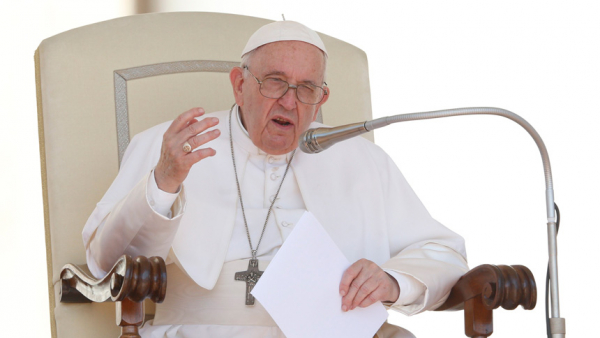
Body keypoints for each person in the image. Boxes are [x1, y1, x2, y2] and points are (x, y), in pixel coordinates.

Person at [82, 20, 468, 338]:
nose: (289, 101)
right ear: (239, 84)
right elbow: (105, 262)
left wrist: (392, 280)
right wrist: (164, 182)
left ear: (321, 100)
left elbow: (445, 253)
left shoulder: (363, 160)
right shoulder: (171, 145)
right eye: (275, 81)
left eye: (306, 89)